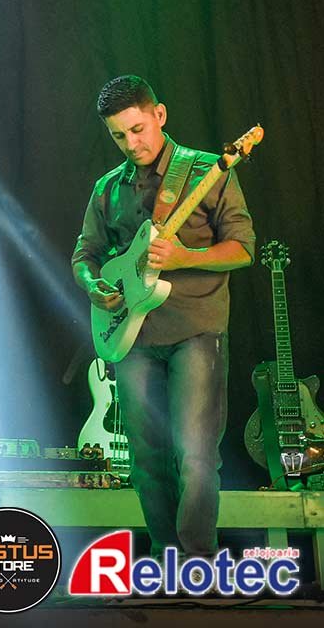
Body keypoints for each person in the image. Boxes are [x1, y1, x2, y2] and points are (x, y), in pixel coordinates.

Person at [71, 75, 254, 558]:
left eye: (138, 129)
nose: (132, 144)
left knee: (194, 455)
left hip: (196, 330)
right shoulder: (107, 188)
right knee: (145, 460)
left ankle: (197, 563)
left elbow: (243, 248)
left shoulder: (208, 171)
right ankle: (163, 557)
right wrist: (94, 286)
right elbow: (85, 254)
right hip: (132, 336)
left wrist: (184, 257)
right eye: (119, 136)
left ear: (160, 115)